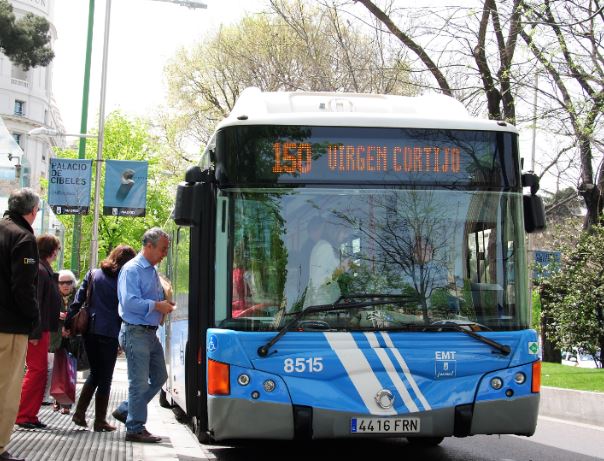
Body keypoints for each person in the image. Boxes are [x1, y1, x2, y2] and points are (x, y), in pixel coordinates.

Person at [111, 228, 175, 443]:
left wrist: (164, 304)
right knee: (138, 383)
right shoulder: (133, 269)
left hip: (148, 333)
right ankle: (135, 428)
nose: (165, 253)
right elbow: (129, 302)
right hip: (135, 331)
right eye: (163, 249)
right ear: (149, 246)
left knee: (160, 377)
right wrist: (157, 305)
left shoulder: (151, 269)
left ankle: (127, 410)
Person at [65, 245, 136, 431]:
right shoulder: (124, 279)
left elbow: (78, 300)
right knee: (105, 377)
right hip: (110, 332)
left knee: (96, 373)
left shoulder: (92, 274)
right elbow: (126, 308)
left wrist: (67, 325)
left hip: (90, 330)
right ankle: (99, 420)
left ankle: (80, 414)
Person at [0, 188, 40, 461]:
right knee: (6, 390)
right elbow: (23, 287)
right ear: (32, 212)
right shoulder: (23, 238)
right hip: (10, 326)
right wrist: (33, 318)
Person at [15, 234, 61, 429]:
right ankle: (24, 414)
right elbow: (37, 302)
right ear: (52, 251)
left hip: (41, 328)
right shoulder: (42, 271)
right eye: (57, 249)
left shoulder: (42, 269)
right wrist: (34, 332)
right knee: (37, 371)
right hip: (38, 330)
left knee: (39, 371)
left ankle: (29, 414)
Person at [44, 269, 77, 414]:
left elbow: (82, 313)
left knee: (69, 371)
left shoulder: (77, 297)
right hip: (55, 338)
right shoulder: (52, 296)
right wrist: (57, 317)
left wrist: (70, 325)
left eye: (68, 282)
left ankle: (67, 404)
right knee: (56, 370)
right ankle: (55, 400)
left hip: (71, 339)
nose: (65, 285)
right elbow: (45, 312)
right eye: (62, 283)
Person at [304, 220, 349, 307]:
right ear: (334, 231)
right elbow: (318, 281)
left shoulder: (326, 246)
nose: (345, 235)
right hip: (322, 305)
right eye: (344, 231)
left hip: (327, 303)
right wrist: (341, 270)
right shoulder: (325, 248)